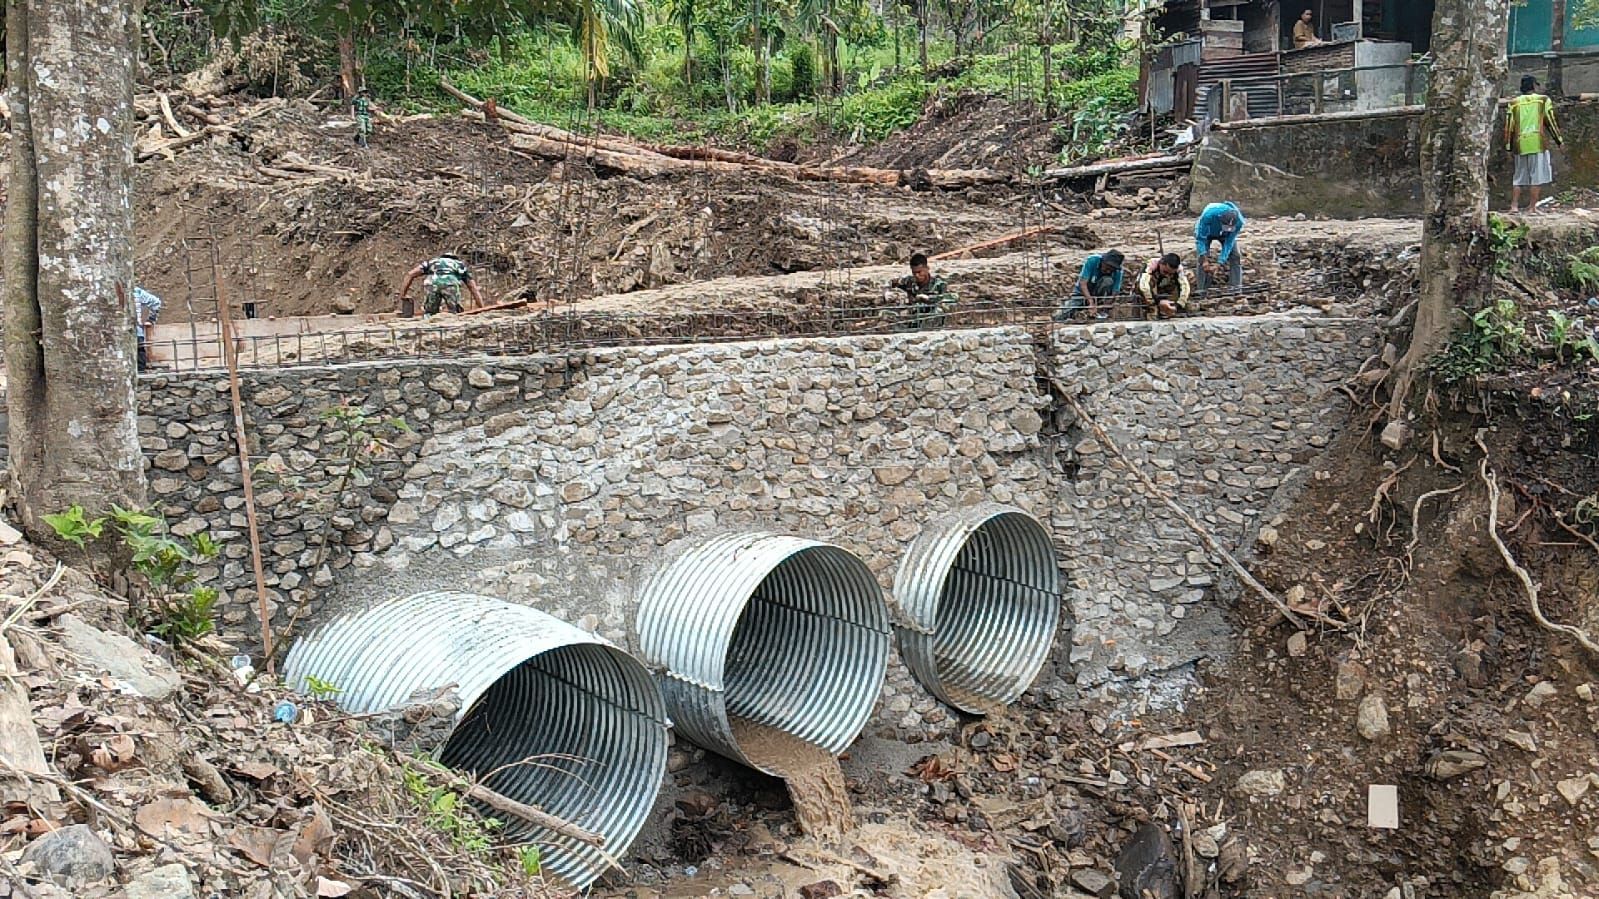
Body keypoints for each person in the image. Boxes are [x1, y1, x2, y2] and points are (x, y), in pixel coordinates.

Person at [1505, 75, 1563, 214]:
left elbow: (1509, 127)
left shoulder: (1514, 103)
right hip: (1537, 143)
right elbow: (1550, 122)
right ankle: (1532, 207)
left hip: (1520, 144)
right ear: (1534, 86)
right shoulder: (1543, 100)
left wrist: (1508, 147)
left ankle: (1514, 206)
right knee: (1536, 177)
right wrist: (1559, 140)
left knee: (1518, 177)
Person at [397, 253, 486, 316]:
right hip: (450, 283)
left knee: (430, 312)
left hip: (432, 283)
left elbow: (410, 274)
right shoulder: (459, 264)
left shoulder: (432, 262)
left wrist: (403, 295)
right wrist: (481, 308)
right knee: (455, 312)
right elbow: (472, 287)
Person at [888, 252, 954, 330]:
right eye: (914, 273)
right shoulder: (909, 281)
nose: (917, 275)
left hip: (930, 317)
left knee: (938, 311)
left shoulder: (939, 284)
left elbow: (953, 297)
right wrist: (890, 293)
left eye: (919, 272)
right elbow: (892, 283)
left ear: (927, 269)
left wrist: (929, 299)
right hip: (912, 316)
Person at [1056, 250, 1125, 321]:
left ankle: (1100, 310)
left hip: (1100, 298)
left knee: (1107, 280)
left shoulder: (1118, 272)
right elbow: (1082, 283)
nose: (1108, 271)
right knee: (1062, 314)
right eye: (1107, 267)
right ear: (1103, 261)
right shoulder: (1092, 260)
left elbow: (1115, 293)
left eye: (1112, 269)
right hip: (1082, 294)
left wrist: (1103, 306)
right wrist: (1090, 301)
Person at [1194, 201, 1246, 294]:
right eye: (1226, 226)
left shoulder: (1239, 222)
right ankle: (1201, 290)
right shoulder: (1209, 215)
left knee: (1235, 256)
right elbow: (1200, 239)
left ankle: (1236, 289)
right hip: (1208, 232)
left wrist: (1219, 263)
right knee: (1201, 260)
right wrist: (1204, 259)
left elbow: (1229, 243)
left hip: (1225, 235)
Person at [1138, 253, 1192, 319]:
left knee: (1186, 279)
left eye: (1170, 274)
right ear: (1161, 263)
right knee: (1147, 283)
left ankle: (1169, 309)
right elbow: (1143, 287)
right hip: (1150, 292)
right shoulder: (1150, 265)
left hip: (1165, 288)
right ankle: (1152, 310)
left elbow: (1185, 288)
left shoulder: (1179, 269)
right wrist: (1158, 302)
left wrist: (1178, 305)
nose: (1167, 275)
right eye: (1165, 272)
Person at [134, 286, 162, 373]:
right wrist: (151, 319)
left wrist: (150, 320)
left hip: (125, 334)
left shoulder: (137, 292)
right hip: (137, 332)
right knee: (140, 364)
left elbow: (156, 302)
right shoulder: (136, 291)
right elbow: (156, 302)